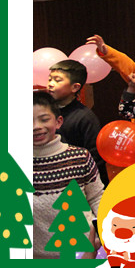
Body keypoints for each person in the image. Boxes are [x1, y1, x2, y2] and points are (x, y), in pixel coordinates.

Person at [32, 91, 103, 259]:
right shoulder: (14, 165)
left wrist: (101, 236)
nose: (36, 126)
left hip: (81, 252)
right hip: (34, 259)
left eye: (44, 119)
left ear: (58, 121)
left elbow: (97, 198)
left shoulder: (80, 157)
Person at [47, 59, 106, 186]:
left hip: (77, 182)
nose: (50, 84)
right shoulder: (46, 112)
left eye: (57, 80)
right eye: (50, 79)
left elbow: (95, 158)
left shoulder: (85, 117)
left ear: (75, 87)